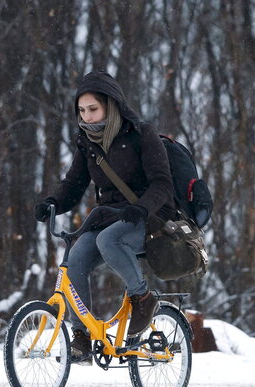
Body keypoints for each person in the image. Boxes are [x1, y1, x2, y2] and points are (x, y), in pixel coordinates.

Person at [33, 71, 175, 364]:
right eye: (82, 111)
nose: (87, 116)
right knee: (77, 257)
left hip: (148, 218)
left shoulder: (140, 134)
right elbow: (74, 184)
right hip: (109, 216)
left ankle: (143, 298)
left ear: (111, 105)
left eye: (93, 109)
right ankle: (82, 336)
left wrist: (142, 207)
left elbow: (163, 183)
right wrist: (52, 203)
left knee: (110, 240)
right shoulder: (87, 142)